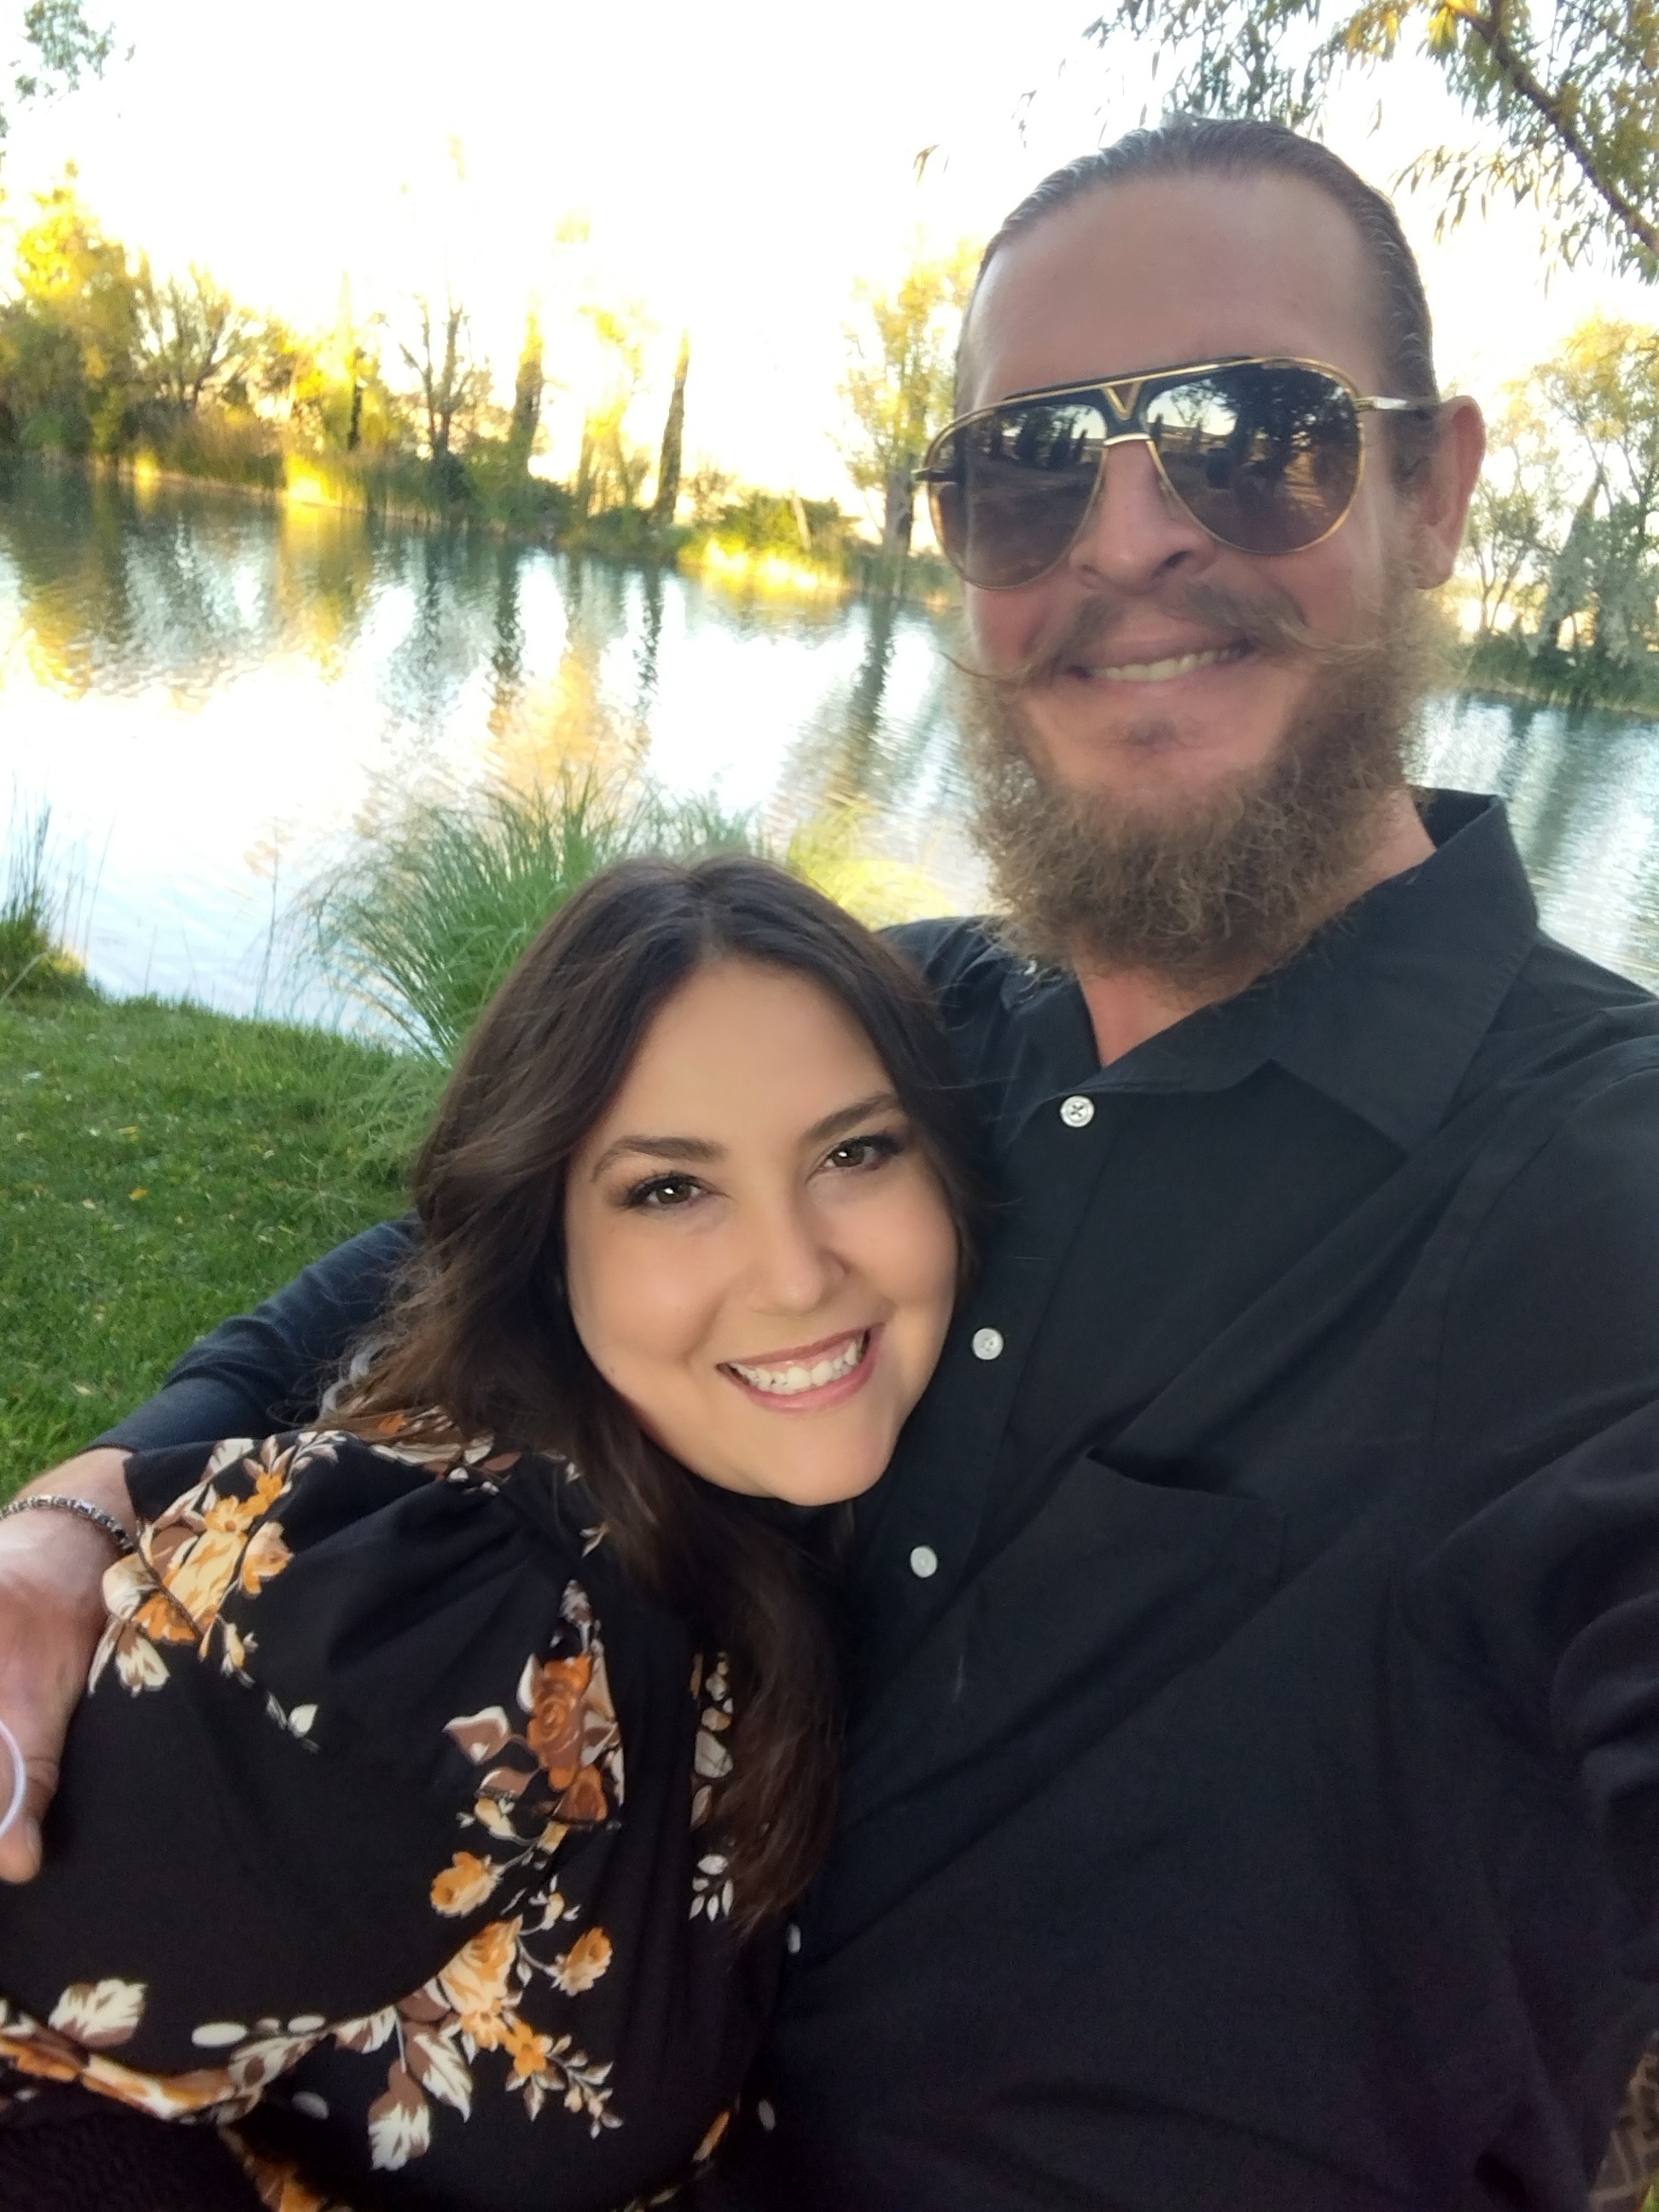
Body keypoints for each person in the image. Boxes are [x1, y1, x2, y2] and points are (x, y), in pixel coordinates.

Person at [6, 113, 1659, 2210]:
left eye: (1253, 439)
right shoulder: (907, 1028)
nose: (1129, 541)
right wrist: (81, 1509)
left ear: (1434, 490)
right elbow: (440, 1264)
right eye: (1027, 471)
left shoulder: (1605, 1198)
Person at [0, 852, 976, 2209]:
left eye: (855, 1152)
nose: (799, 1274)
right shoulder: (435, 1620)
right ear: (546, 1242)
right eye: (670, 1188)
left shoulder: (746, 1520)